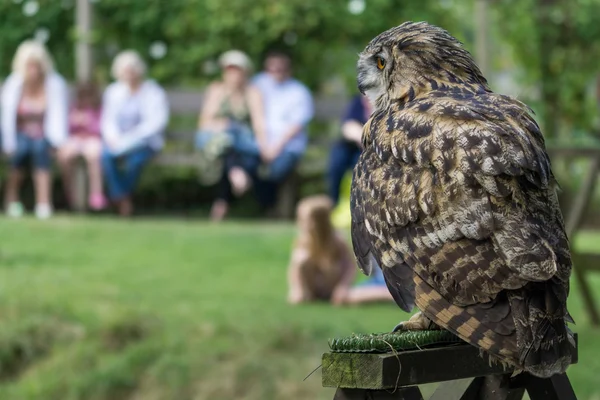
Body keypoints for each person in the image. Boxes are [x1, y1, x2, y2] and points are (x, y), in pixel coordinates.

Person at [195, 50, 266, 221]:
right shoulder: (216, 90)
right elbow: (204, 123)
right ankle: (235, 177)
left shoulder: (252, 92)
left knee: (239, 148)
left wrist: (264, 145)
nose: (233, 75)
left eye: (237, 70)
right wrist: (223, 125)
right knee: (227, 141)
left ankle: (222, 200)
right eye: (230, 70)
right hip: (215, 140)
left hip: (240, 142)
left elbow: (258, 123)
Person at [1, 40, 68, 219]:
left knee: (40, 150)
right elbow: (7, 119)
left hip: (45, 134)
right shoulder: (14, 84)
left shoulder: (54, 84)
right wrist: (8, 144)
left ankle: (43, 202)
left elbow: (59, 117)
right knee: (20, 152)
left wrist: (59, 143)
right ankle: (12, 199)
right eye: (30, 66)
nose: (34, 70)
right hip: (18, 134)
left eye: (37, 66)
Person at [101, 50, 169, 217]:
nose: (129, 75)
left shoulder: (153, 92)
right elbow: (107, 120)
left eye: (132, 70)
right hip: (118, 142)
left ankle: (122, 199)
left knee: (134, 162)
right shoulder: (113, 92)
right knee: (105, 156)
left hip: (145, 142)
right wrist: (114, 138)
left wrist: (131, 139)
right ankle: (122, 197)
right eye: (125, 71)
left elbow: (156, 123)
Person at [252, 51, 314, 212]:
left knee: (275, 171)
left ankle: (268, 209)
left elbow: (295, 126)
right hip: (259, 143)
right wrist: (264, 145)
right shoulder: (258, 84)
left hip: (287, 146)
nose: (275, 72)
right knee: (246, 163)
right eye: (271, 69)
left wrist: (274, 148)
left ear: (288, 69)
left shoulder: (299, 91)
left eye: (280, 68)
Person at [287, 195, 356, 305]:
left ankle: (334, 294)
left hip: (331, 281)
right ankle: (305, 292)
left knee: (336, 265)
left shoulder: (336, 240)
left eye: (304, 220)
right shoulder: (303, 240)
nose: (300, 223)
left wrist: (343, 287)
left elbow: (350, 266)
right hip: (313, 281)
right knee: (301, 259)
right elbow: (294, 268)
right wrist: (296, 288)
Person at [57, 81, 106, 210]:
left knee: (94, 156)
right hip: (75, 139)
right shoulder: (74, 108)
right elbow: (66, 127)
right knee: (64, 155)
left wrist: (88, 122)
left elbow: (102, 128)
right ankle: (70, 192)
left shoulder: (98, 109)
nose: (86, 99)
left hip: (93, 139)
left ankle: (96, 193)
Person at [327, 94, 371, 205]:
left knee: (360, 166)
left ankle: (361, 204)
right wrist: (363, 138)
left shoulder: (386, 105)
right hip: (351, 145)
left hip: (370, 150)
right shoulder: (357, 103)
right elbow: (348, 126)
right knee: (337, 163)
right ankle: (334, 202)